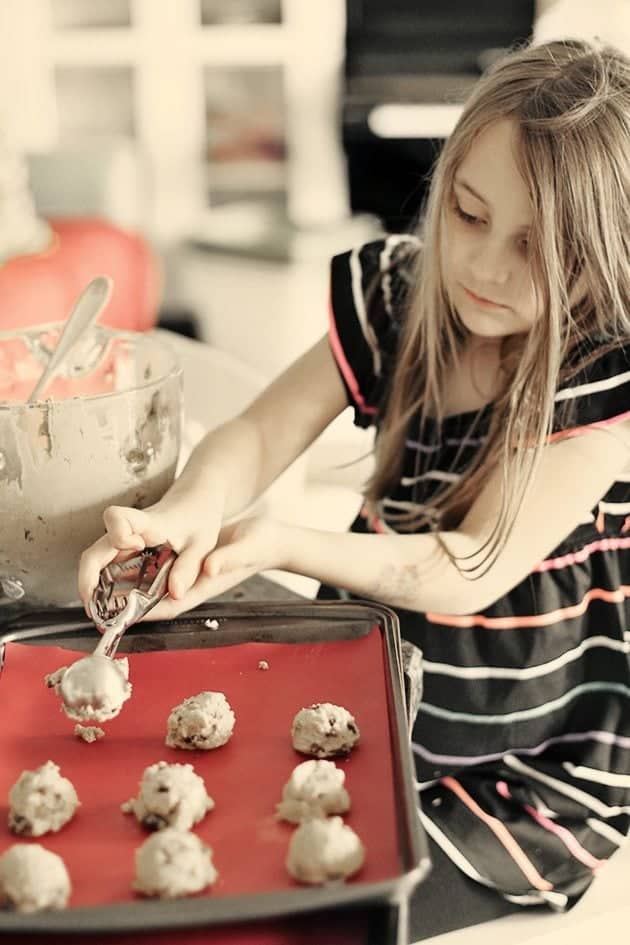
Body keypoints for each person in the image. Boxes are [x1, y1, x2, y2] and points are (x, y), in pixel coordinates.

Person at [78, 39, 630, 926]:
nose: (485, 267)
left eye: (537, 246)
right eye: (469, 213)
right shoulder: (398, 292)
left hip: (518, 755)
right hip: (370, 676)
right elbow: (260, 431)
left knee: (331, 908)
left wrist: (284, 541)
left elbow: (469, 565)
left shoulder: (603, 370)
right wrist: (191, 507)